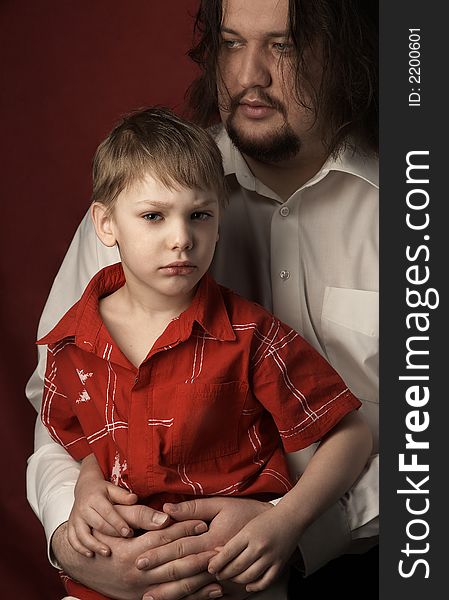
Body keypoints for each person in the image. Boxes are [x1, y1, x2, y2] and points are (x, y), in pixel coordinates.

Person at [26, 1, 379, 599]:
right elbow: (62, 413)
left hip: (370, 552)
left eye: (285, 45)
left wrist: (291, 530)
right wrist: (73, 536)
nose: (249, 76)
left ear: (347, 54)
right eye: (230, 43)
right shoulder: (135, 199)